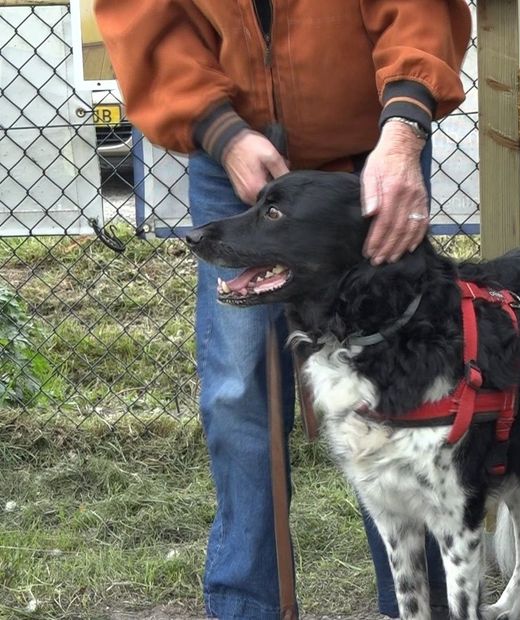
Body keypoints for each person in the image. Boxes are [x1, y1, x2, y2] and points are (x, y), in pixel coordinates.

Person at [94, 2, 472, 618]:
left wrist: (404, 127)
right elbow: (145, 20)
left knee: (408, 386)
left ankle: (423, 606)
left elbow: (417, 11)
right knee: (239, 391)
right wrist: (221, 131)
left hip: (371, 157)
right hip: (233, 158)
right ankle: (248, 605)